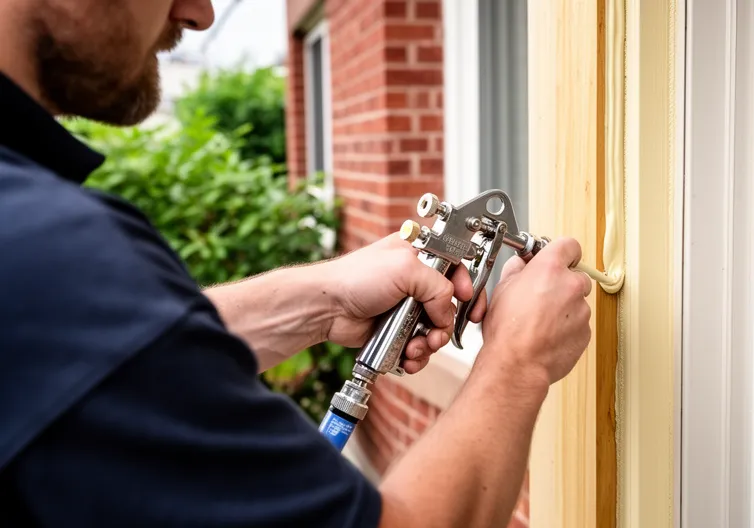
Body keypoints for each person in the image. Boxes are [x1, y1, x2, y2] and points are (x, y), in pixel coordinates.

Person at [0, 1, 594, 526]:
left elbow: (94, 353)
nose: (199, 13)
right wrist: (518, 361)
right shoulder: (49, 249)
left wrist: (322, 300)